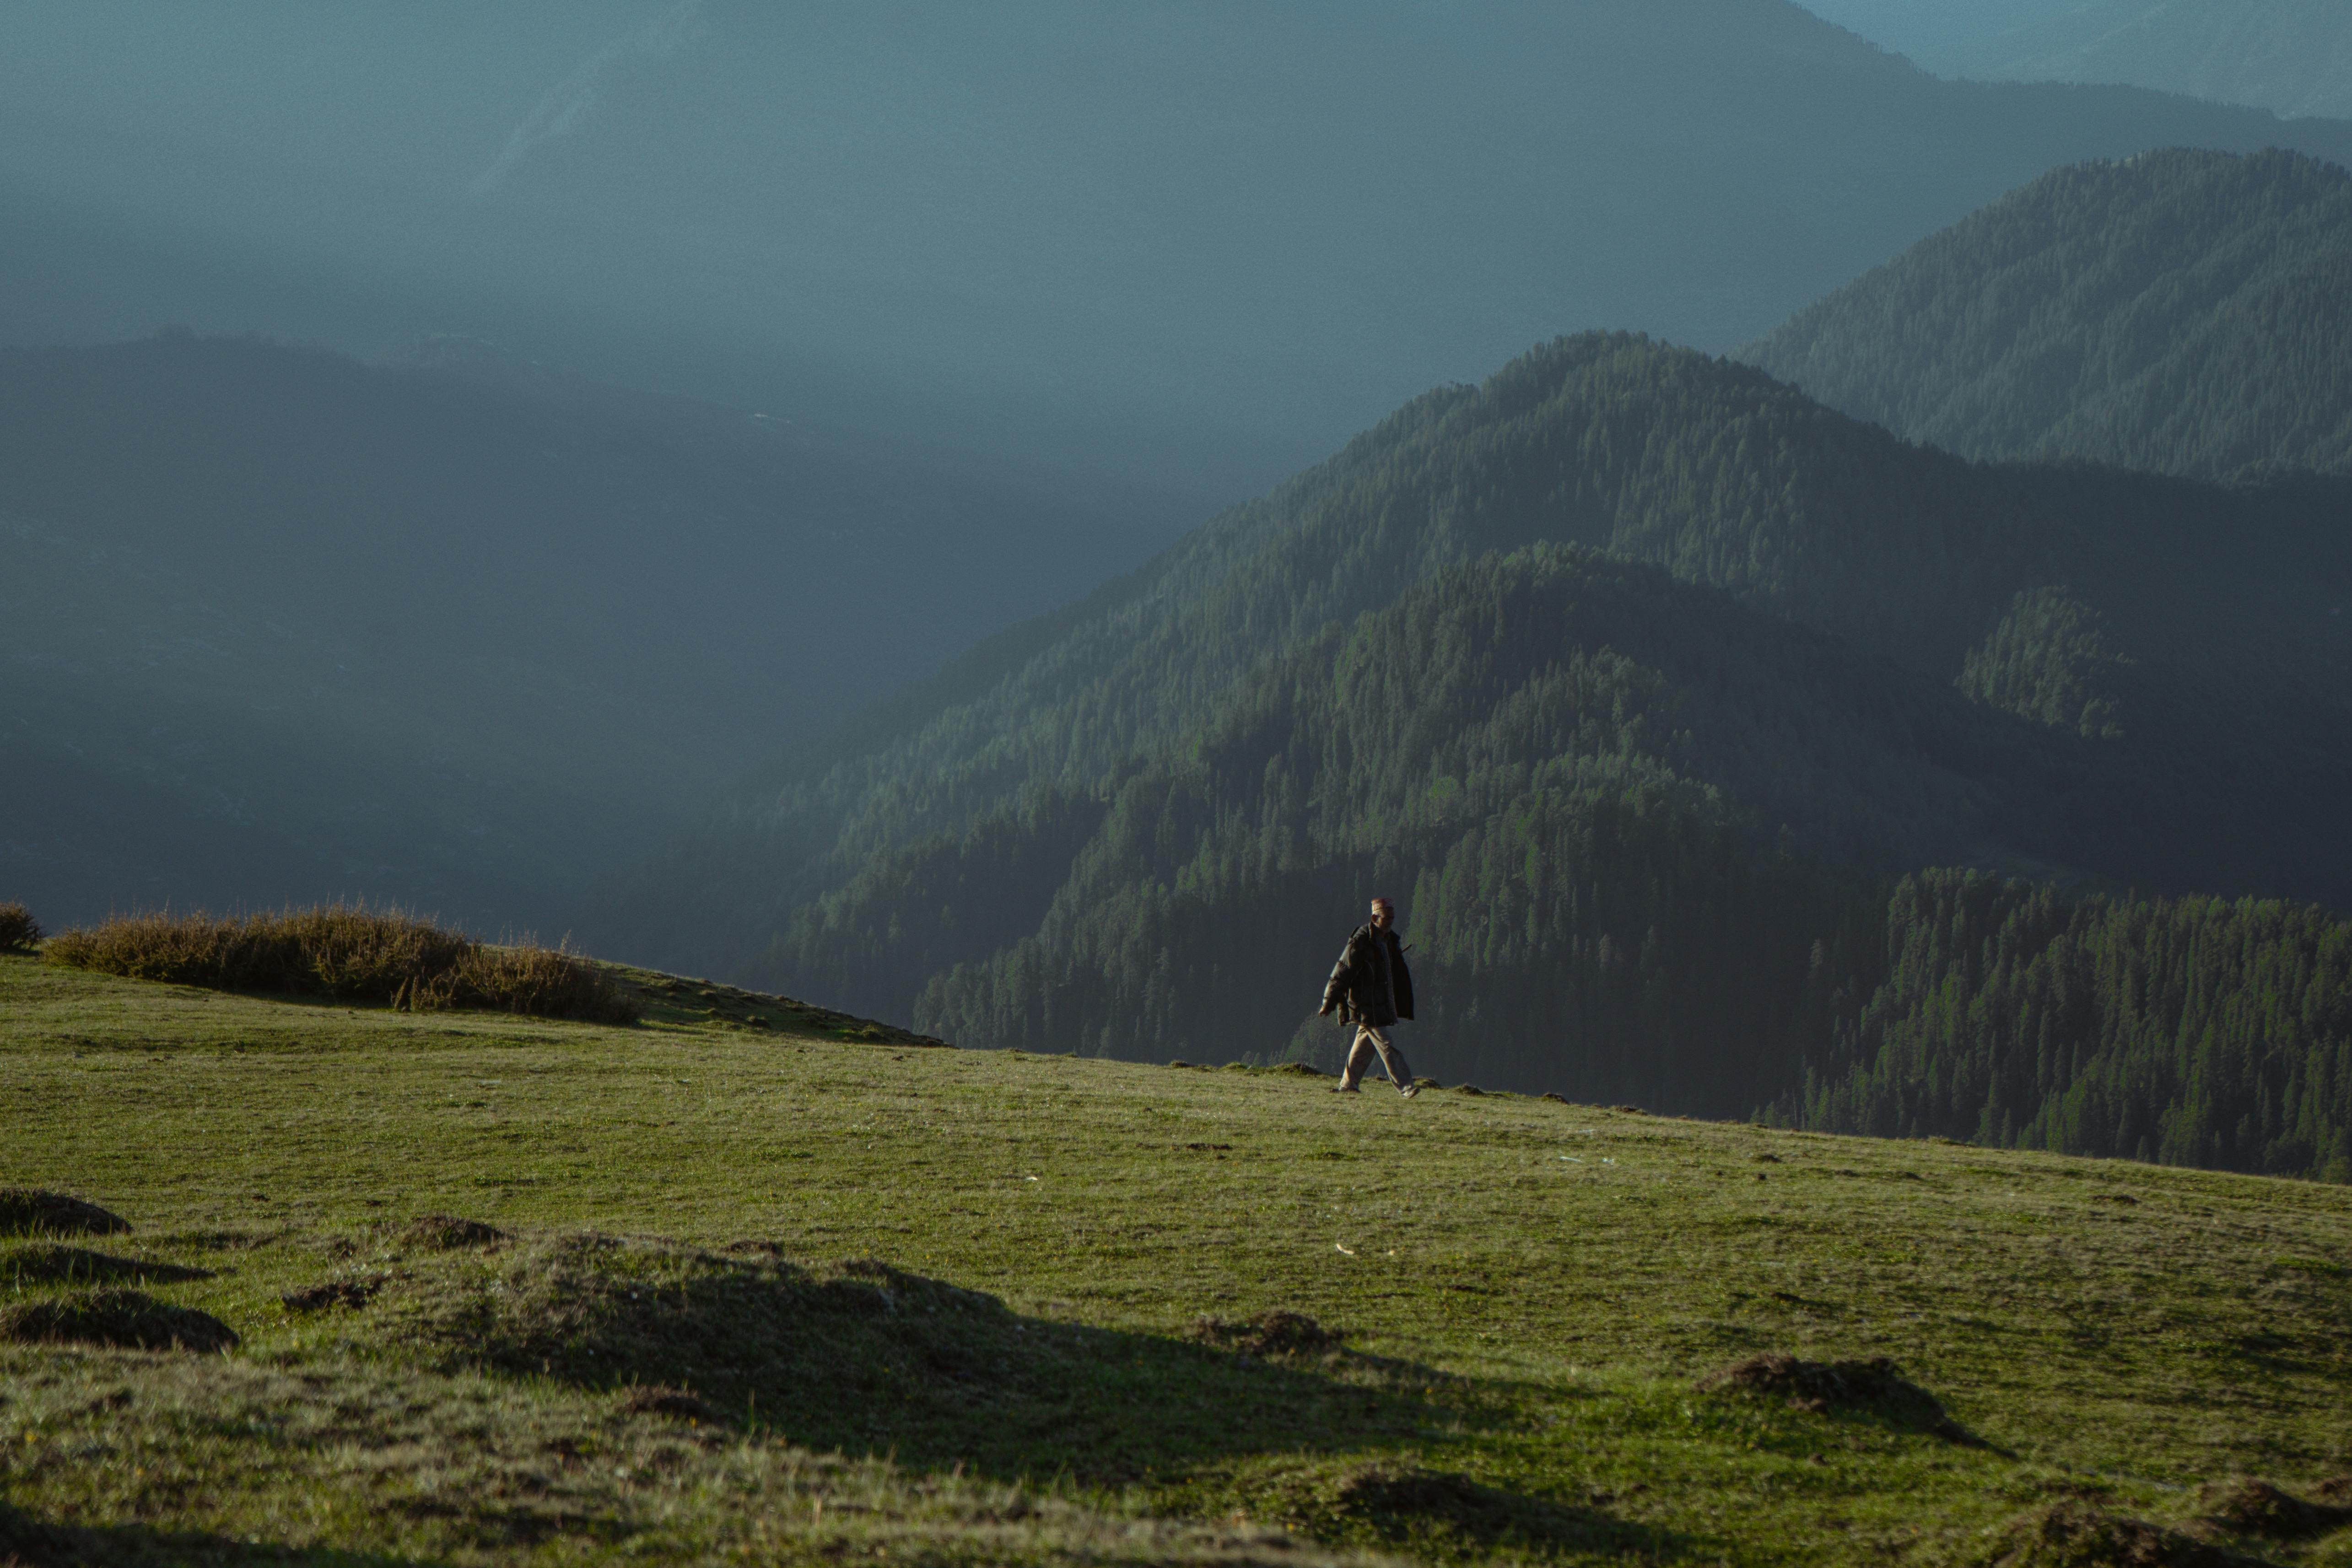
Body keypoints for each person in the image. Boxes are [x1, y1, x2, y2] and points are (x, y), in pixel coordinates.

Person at [1318, 896, 1419, 1097]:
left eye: (1392, 917)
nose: (1390, 921)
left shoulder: (1388, 940)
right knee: (1386, 1045)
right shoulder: (1362, 940)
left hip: (1380, 1004)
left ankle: (1348, 1086)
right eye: (1387, 917)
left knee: (1364, 1046)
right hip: (1366, 1005)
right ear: (1375, 918)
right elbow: (1342, 972)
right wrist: (1328, 1002)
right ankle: (1405, 1086)